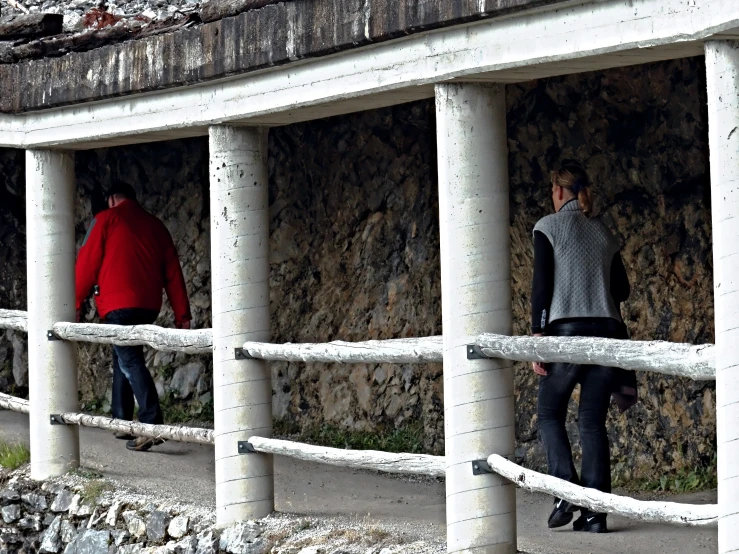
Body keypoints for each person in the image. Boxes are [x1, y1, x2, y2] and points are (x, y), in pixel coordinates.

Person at [531, 160, 631, 533]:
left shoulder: (548, 227)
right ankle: (595, 515)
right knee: (591, 420)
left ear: (558, 191)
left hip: (566, 333)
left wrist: (538, 338)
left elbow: (541, 285)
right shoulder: (604, 232)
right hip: (607, 332)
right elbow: (622, 290)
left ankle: (565, 492)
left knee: (548, 413)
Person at [76, 181, 191, 452]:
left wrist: (75, 302)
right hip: (148, 305)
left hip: (117, 304)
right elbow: (173, 273)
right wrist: (182, 314)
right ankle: (121, 420)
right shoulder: (157, 226)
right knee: (122, 356)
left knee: (128, 359)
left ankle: (151, 424)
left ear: (112, 199)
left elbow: (86, 263)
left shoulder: (105, 219)